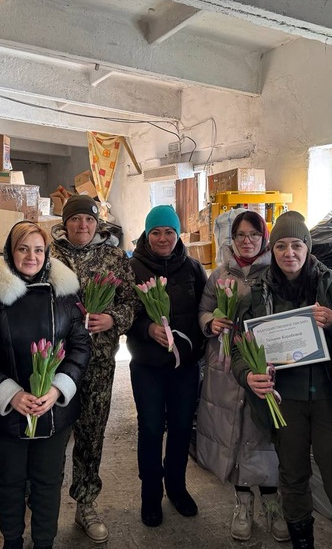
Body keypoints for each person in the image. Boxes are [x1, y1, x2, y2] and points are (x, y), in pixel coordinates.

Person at [232, 211, 332, 549]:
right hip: (285, 403)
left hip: (330, 401)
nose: (288, 253)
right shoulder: (257, 295)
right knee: (292, 478)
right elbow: (238, 350)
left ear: (308, 247)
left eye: (296, 244)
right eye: (281, 246)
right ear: (272, 250)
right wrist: (249, 375)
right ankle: (302, 542)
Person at [0, 221, 90, 549]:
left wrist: (56, 390)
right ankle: (12, 541)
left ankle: (43, 542)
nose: (31, 256)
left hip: (53, 412)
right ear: (11, 253)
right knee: (9, 483)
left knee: (47, 483)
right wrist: (12, 394)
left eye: (38, 249)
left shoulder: (66, 293)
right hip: (9, 412)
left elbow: (80, 346)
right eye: (23, 248)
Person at [196, 209, 289, 542]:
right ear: (231, 239)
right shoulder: (220, 274)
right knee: (232, 434)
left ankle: (272, 502)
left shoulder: (277, 272)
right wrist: (211, 322)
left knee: (263, 433)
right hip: (225, 366)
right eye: (239, 236)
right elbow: (204, 310)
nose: (246, 241)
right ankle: (243, 502)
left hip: (264, 364)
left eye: (253, 235)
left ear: (263, 238)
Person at [49, 194, 135, 543]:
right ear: (65, 222)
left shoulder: (114, 256)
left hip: (99, 363)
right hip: (55, 363)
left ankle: (86, 503)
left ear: (97, 224)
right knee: (53, 436)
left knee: (91, 434)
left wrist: (112, 317)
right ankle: (44, 505)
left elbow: (131, 303)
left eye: (88, 219)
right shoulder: (50, 256)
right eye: (75, 219)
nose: (82, 225)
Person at [126, 205, 207, 527]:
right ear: (147, 234)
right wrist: (147, 329)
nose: (163, 238)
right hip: (147, 366)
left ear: (178, 234)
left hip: (185, 368)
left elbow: (205, 310)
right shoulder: (132, 268)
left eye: (169, 232)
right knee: (149, 429)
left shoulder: (192, 269)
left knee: (181, 428)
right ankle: (151, 494)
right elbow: (122, 315)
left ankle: (177, 487)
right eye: (156, 232)